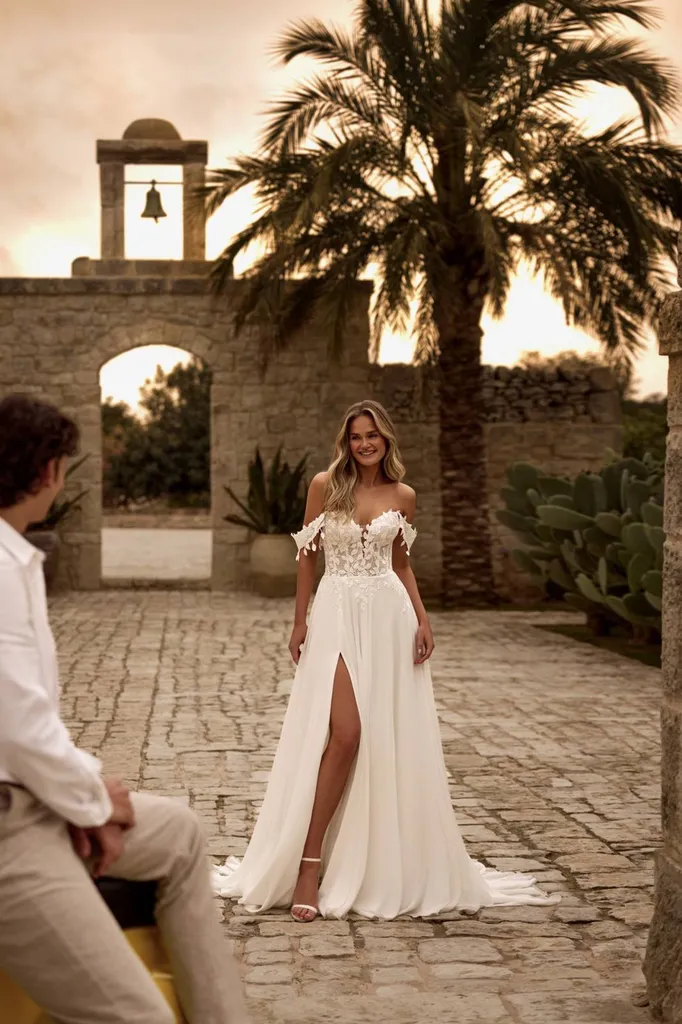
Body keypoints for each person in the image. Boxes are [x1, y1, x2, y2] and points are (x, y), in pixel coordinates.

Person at [214, 400, 558, 921]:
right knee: (345, 734)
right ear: (346, 442)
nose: (364, 444)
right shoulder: (325, 485)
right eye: (356, 437)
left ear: (387, 440)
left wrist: (422, 619)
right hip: (335, 614)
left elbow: (401, 564)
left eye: (372, 435)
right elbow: (307, 557)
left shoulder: (404, 495)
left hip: (388, 619)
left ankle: (371, 860)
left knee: (383, 740)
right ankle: (308, 863)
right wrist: (300, 620)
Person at [0, 394, 249, 1024]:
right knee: (138, 1017)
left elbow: (31, 721)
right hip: (9, 833)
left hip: (38, 803)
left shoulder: (16, 557)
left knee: (180, 834)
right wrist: (90, 801)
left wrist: (82, 794)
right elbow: (18, 725)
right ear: (50, 471)